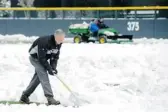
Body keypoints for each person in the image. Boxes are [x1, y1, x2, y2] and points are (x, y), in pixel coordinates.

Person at [19, 29, 65, 105]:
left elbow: (54, 57)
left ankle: (24, 96)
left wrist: (53, 67)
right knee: (43, 74)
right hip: (35, 58)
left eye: (62, 39)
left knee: (38, 78)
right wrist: (49, 68)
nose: (62, 41)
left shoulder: (58, 43)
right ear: (55, 36)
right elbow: (41, 58)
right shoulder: (44, 42)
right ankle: (50, 97)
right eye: (60, 39)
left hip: (43, 59)